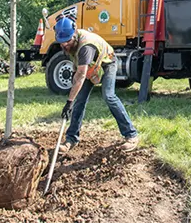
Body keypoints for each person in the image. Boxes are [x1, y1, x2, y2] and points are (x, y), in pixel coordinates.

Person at [55, 16, 139, 154]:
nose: (64, 45)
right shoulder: (69, 43)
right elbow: (77, 69)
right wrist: (73, 80)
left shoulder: (86, 46)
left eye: (67, 41)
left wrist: (68, 102)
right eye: (61, 42)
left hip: (107, 63)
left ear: (74, 33)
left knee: (109, 96)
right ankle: (71, 139)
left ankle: (131, 135)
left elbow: (81, 76)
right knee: (80, 100)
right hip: (90, 67)